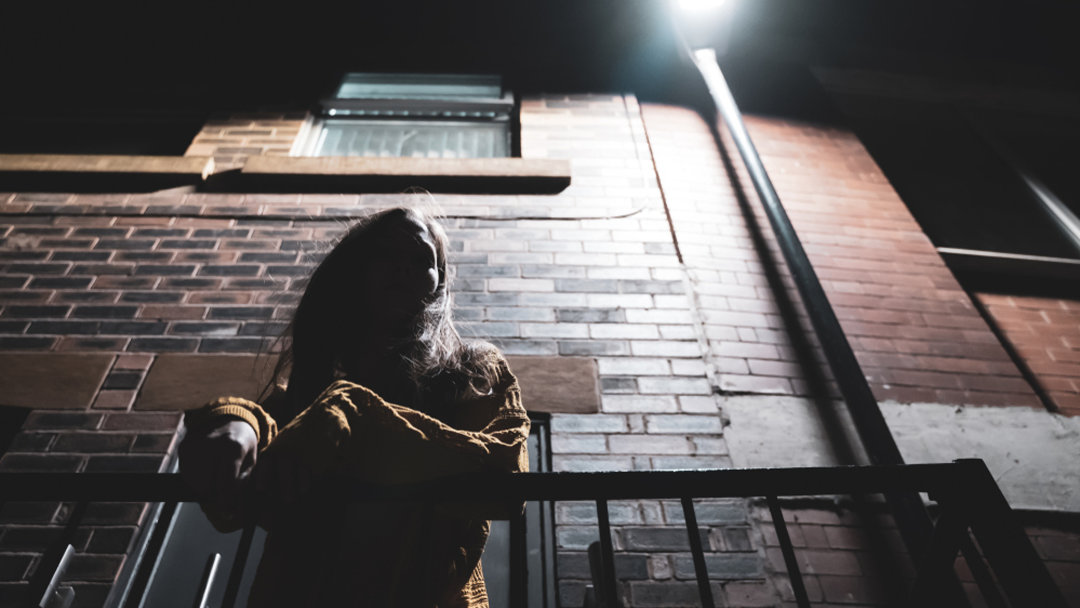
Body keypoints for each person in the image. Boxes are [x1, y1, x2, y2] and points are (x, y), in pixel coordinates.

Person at [179, 207, 530, 607]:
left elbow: (505, 480)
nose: (403, 267)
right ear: (355, 272)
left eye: (421, 259)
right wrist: (237, 423)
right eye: (386, 254)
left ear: (439, 283)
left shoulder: (475, 371)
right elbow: (233, 510)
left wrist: (352, 415)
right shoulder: (314, 389)